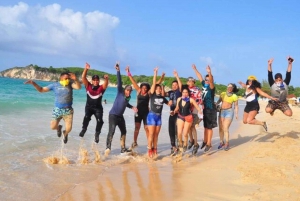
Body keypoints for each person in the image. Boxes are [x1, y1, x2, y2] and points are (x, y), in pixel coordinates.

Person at [24, 72, 81, 144]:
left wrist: (75, 79)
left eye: (68, 78)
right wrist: (33, 83)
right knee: (53, 127)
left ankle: (65, 134)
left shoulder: (70, 84)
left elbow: (78, 87)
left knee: (69, 129)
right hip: (57, 109)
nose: (67, 79)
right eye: (66, 78)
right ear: (61, 78)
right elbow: (41, 90)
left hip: (68, 110)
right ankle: (58, 128)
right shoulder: (55, 85)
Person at [125, 66, 165, 149]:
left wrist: (160, 77)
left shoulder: (149, 93)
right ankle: (135, 142)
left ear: (147, 89)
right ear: (141, 88)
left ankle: (149, 144)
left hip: (146, 113)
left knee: (147, 128)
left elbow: (155, 84)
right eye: (143, 87)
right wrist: (128, 72)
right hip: (138, 112)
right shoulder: (138, 91)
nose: (144, 89)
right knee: (137, 128)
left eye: (145, 88)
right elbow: (133, 81)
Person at [105, 63, 138, 156]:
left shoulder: (128, 97)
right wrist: (118, 70)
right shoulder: (120, 92)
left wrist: (132, 107)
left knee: (124, 131)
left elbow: (125, 103)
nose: (128, 92)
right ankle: (108, 147)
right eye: (127, 90)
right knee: (112, 131)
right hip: (113, 115)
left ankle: (123, 149)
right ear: (125, 90)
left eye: (130, 90)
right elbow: (119, 82)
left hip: (120, 116)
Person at [79, 62, 109, 143]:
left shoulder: (101, 88)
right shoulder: (88, 86)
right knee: (86, 117)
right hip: (88, 107)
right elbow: (83, 77)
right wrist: (86, 69)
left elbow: (105, 85)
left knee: (100, 121)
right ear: (92, 81)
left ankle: (97, 134)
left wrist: (106, 79)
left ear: (99, 81)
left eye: (97, 80)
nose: (95, 81)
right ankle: (84, 129)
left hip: (98, 108)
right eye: (94, 80)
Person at [147, 67, 171, 158]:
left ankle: (155, 149)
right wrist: (155, 73)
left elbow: (168, 104)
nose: (158, 90)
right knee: (151, 134)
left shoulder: (162, 97)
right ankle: (149, 150)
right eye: (157, 88)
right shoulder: (152, 94)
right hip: (152, 116)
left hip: (159, 117)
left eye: (160, 89)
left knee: (156, 135)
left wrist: (171, 103)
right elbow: (154, 83)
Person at [192, 64, 217, 153]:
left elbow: (210, 82)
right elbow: (200, 77)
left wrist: (209, 72)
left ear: (211, 80)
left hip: (211, 109)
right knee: (205, 127)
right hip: (205, 109)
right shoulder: (204, 85)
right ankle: (205, 141)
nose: (207, 81)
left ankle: (209, 144)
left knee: (209, 127)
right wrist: (195, 69)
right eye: (206, 80)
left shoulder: (211, 87)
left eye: (208, 80)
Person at [174, 87, 202, 155]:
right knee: (179, 133)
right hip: (180, 116)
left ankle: (185, 144)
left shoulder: (191, 100)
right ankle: (181, 144)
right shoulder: (179, 99)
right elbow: (177, 107)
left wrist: (200, 113)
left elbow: (197, 107)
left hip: (188, 118)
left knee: (185, 133)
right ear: (182, 93)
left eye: (186, 92)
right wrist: (174, 111)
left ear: (188, 93)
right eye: (183, 92)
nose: (185, 94)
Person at [216, 83, 239, 151]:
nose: (229, 88)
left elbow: (236, 106)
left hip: (229, 112)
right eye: (228, 87)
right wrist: (216, 104)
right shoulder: (223, 94)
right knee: (220, 128)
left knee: (225, 127)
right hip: (221, 112)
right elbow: (219, 101)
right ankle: (221, 142)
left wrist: (236, 114)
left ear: (232, 89)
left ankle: (227, 143)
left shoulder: (234, 96)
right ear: (227, 88)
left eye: (231, 87)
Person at [164, 70, 182, 155]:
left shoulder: (179, 92)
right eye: (173, 85)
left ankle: (178, 146)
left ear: (178, 86)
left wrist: (177, 76)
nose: (174, 86)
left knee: (177, 131)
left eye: (176, 85)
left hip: (178, 114)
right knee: (170, 130)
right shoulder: (170, 92)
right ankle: (173, 146)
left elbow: (181, 85)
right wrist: (163, 85)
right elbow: (163, 94)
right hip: (171, 113)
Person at [186, 74, 202, 153]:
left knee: (192, 127)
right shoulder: (185, 89)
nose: (189, 82)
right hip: (186, 110)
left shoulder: (197, 90)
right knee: (187, 127)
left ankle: (195, 144)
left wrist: (194, 103)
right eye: (188, 81)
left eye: (191, 81)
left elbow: (200, 100)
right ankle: (191, 140)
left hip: (194, 110)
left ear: (194, 82)